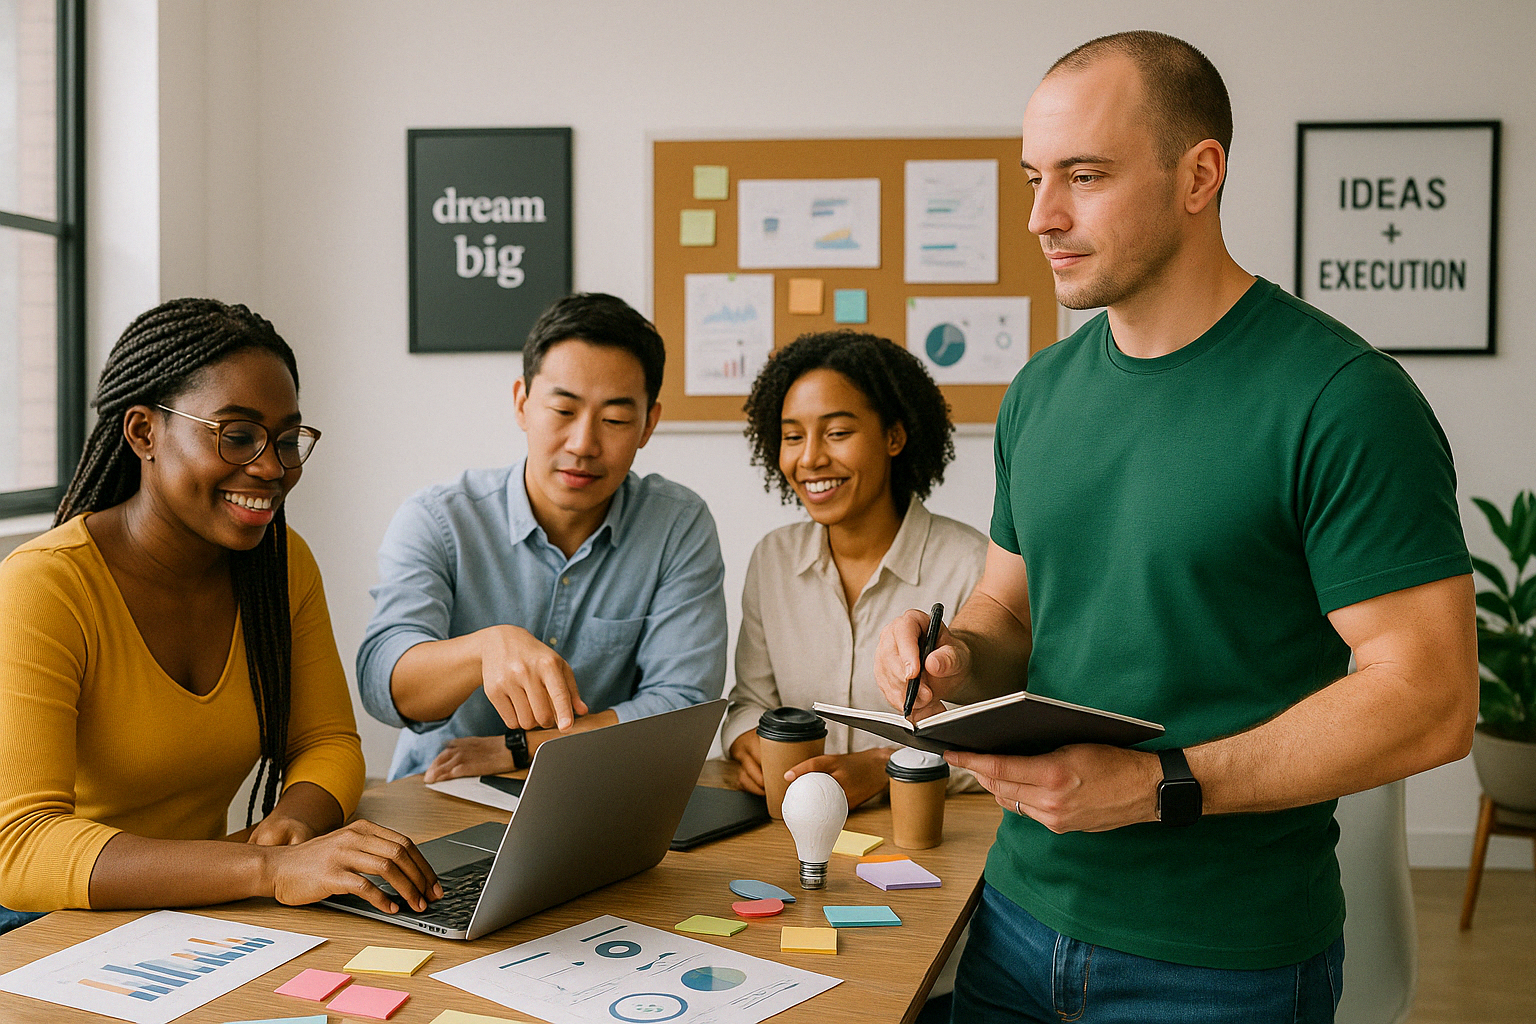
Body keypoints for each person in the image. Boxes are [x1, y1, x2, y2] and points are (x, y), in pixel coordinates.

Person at [874, 31, 1476, 1022]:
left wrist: (1160, 785)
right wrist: (952, 656)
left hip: (1222, 964)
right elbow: (1009, 607)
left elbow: (1432, 698)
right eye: (1034, 177)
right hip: (1017, 916)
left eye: (1085, 175)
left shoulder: (1342, 399)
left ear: (1200, 175)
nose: (1042, 215)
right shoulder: (1041, 391)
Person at [0, 299, 439, 935]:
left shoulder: (279, 567)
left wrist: (295, 824)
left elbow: (327, 742)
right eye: (237, 436)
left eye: (287, 440)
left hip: (198, 910)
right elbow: (21, 847)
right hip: (44, 921)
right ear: (144, 433)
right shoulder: (46, 586)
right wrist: (269, 872)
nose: (270, 467)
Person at [358, 292, 728, 782]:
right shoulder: (439, 520)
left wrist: (521, 748)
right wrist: (485, 648)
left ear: (648, 425)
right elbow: (384, 683)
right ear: (522, 403)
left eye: (615, 420)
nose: (583, 444)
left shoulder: (676, 526)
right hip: (440, 789)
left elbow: (683, 705)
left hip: (597, 792)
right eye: (562, 410)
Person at [724, 331, 986, 809]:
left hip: (933, 835)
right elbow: (749, 702)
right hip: (793, 826)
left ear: (894, 437)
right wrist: (747, 741)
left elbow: (997, 738)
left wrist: (886, 766)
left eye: (837, 432)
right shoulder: (773, 560)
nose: (809, 459)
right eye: (792, 436)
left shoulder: (972, 565)